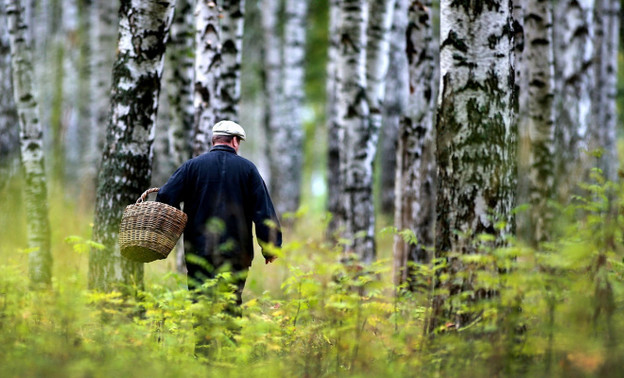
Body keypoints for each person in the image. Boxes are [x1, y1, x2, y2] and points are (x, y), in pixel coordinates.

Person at [156, 120, 282, 310]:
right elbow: (263, 211)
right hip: (237, 253)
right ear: (234, 141)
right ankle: (229, 338)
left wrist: (172, 227)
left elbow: (165, 195)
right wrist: (270, 246)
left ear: (214, 140)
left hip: (198, 251)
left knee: (200, 305)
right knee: (230, 305)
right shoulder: (248, 169)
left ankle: (203, 340)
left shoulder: (191, 167)